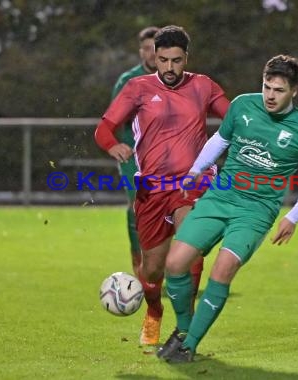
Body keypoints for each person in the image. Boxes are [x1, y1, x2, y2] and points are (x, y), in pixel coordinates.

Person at [157, 54, 298, 363]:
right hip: (220, 197)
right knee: (175, 264)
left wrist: (293, 216)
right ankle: (183, 330)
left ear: (294, 92)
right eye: (266, 87)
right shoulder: (242, 105)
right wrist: (196, 171)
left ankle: (189, 345)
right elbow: (220, 140)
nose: (270, 96)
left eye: (278, 90)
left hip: (256, 211)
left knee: (222, 270)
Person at [94, 25, 230, 346]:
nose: (170, 68)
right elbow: (104, 128)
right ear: (154, 57)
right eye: (164, 60)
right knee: (153, 272)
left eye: (177, 60)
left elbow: (236, 116)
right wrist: (113, 145)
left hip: (192, 185)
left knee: (187, 250)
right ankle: (154, 311)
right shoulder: (136, 87)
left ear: (187, 59)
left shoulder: (204, 86)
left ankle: (186, 328)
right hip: (151, 189)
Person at [111, 26, 159, 276]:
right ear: (140, 51)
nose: (152, 54)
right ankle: (138, 265)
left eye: (156, 48)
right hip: (134, 157)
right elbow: (112, 120)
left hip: (166, 156)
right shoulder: (128, 82)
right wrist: (116, 145)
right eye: (147, 49)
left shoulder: (175, 79)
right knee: (137, 206)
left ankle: (163, 266)